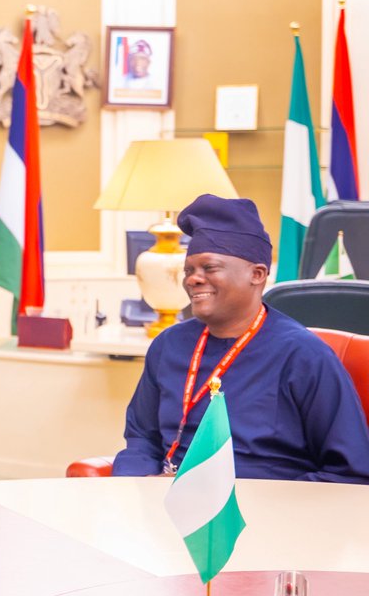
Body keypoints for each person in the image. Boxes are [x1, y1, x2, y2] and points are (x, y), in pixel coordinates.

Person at [112, 193, 369, 483]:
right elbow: (142, 438)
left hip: (264, 515)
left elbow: (351, 472)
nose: (193, 279)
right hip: (169, 507)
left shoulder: (304, 356)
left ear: (257, 274)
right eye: (189, 270)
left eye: (209, 268)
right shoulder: (168, 346)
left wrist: (271, 506)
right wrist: (133, 484)